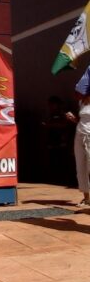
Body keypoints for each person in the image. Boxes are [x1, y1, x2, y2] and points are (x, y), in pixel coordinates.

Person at [66, 66, 90, 207]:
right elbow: (82, 119)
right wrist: (74, 119)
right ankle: (86, 197)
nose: (77, 92)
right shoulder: (81, 102)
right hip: (80, 132)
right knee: (80, 166)